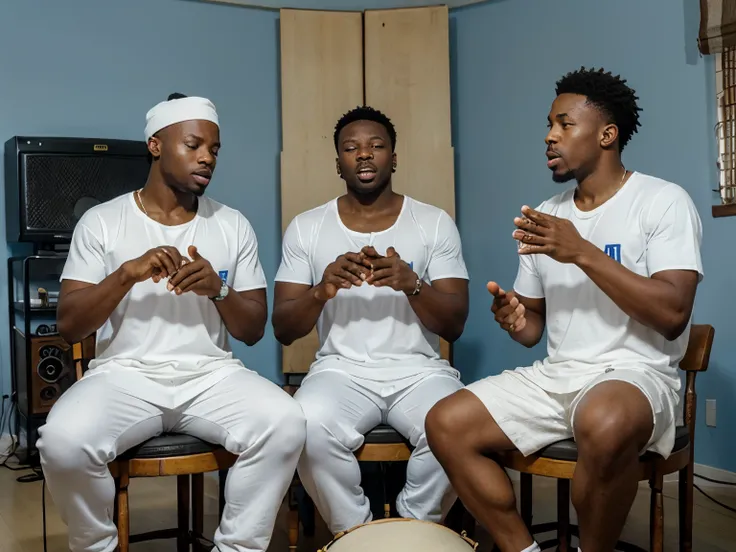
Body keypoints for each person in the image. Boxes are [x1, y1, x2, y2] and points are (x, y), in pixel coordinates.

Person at [426, 67, 704, 552]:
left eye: (564, 124)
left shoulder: (662, 201)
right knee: (444, 422)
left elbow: (673, 312)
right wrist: (515, 317)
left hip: (636, 377)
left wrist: (581, 251)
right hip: (558, 376)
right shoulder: (547, 215)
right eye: (549, 126)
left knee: (603, 420)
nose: (549, 137)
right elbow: (532, 329)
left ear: (607, 134)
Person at [37, 93, 306, 552]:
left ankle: (237, 547)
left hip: (210, 376)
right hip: (124, 377)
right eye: (194, 145)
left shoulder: (232, 225)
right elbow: (70, 325)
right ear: (156, 145)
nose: (207, 157)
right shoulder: (102, 222)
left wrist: (217, 290)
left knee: (285, 422)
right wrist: (126, 274)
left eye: (214, 150)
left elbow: (253, 329)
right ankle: (97, 546)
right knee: (61, 442)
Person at [272, 106, 470, 534]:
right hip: (340, 372)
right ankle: (359, 536)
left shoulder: (433, 222)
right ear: (338, 162)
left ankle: (409, 532)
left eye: (377, 146)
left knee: (459, 425)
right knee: (305, 424)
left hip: (418, 372)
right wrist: (321, 290)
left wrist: (412, 284)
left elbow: (454, 323)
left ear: (394, 157)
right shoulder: (307, 227)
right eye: (352, 148)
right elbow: (284, 327)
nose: (365, 155)